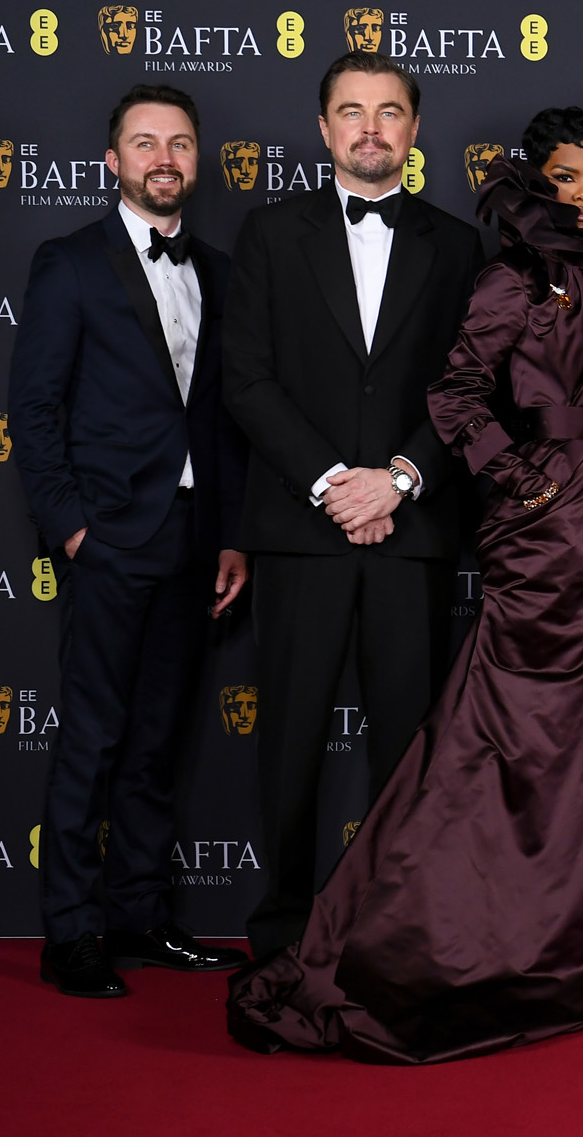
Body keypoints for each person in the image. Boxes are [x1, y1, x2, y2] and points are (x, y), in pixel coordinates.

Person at [227, 108, 583, 1062]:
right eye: (565, 176)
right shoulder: (508, 278)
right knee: (529, 741)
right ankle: (469, 924)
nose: (582, 192)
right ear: (535, 181)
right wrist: (520, 478)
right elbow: (454, 396)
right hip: (549, 528)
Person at [223, 52, 482, 960]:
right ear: (324, 127)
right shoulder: (266, 233)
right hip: (302, 532)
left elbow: (470, 387)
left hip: (412, 534)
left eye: (390, 111)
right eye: (352, 111)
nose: (372, 127)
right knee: (287, 744)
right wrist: (337, 485)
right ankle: (283, 936)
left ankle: (393, 932)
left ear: (415, 129)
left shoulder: (457, 245)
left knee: (409, 750)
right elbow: (246, 380)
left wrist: (402, 478)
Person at [9, 84, 250, 997]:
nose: (163, 157)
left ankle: (141, 917)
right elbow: (33, 410)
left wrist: (228, 536)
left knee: (158, 740)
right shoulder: (69, 263)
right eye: (144, 142)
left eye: (179, 143)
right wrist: (70, 527)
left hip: (191, 544)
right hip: (107, 539)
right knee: (94, 739)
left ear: (197, 160)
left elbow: (221, 423)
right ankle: (70, 932)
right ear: (112, 160)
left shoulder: (220, 270)